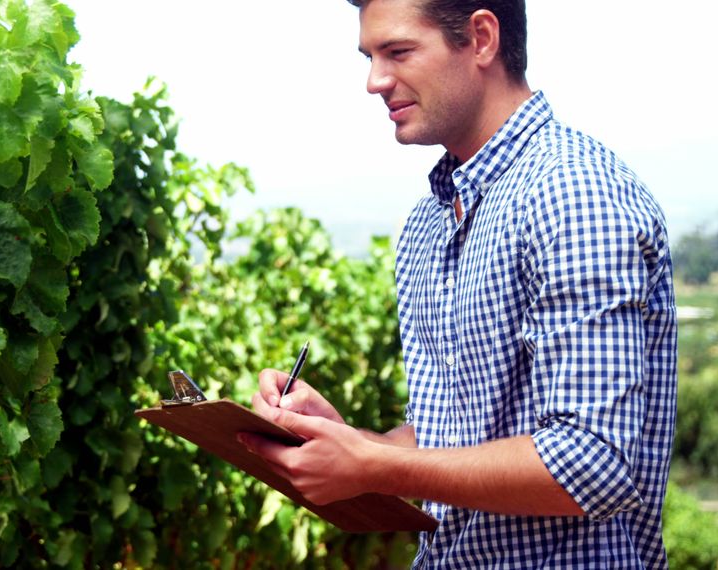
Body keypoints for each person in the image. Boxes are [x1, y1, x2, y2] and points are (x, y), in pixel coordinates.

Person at [238, 0, 677, 567]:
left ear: (483, 38)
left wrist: (376, 466)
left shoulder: (574, 193)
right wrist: (352, 442)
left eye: (398, 52)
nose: (375, 81)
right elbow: (458, 435)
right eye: (370, 56)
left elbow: (590, 462)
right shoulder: (430, 221)